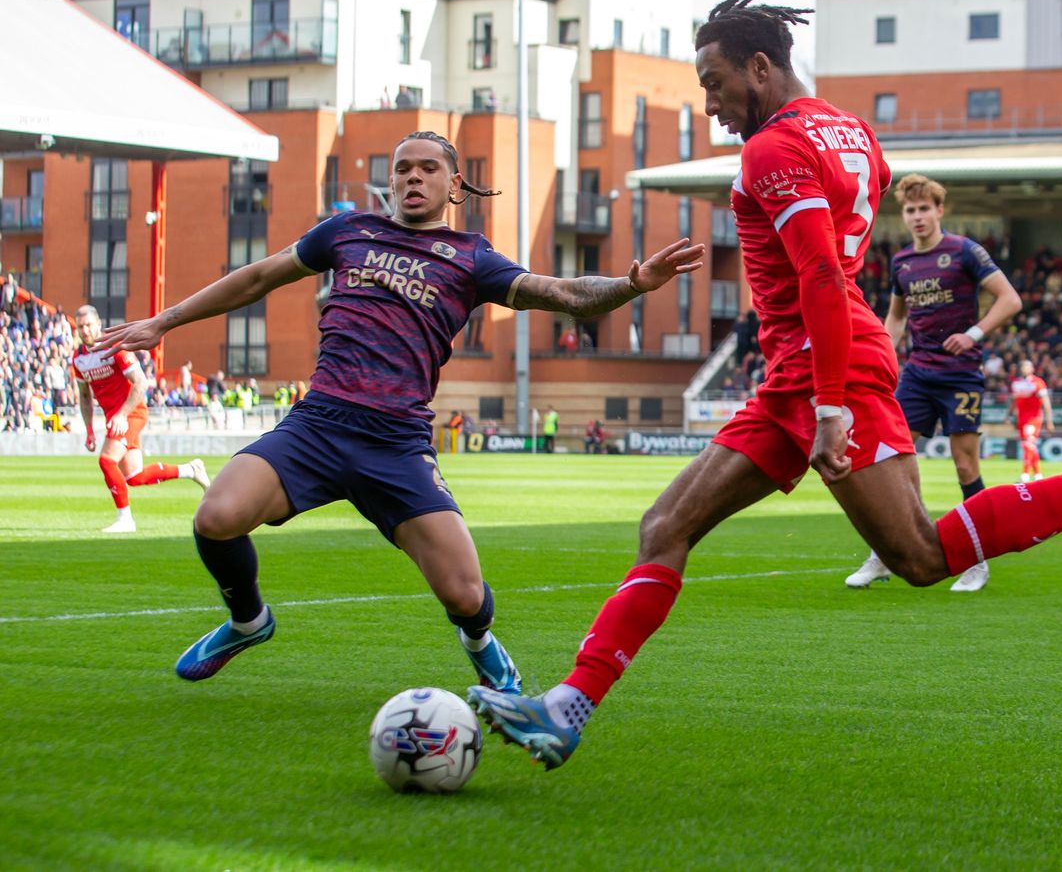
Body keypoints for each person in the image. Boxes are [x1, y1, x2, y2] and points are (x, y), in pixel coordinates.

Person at [466, 0, 1062, 771]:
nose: (711, 103)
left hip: (825, 368)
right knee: (666, 527)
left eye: (714, 81)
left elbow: (824, 279)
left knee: (922, 556)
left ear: (760, 67)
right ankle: (568, 706)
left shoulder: (771, 149)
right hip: (801, 372)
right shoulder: (857, 134)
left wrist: (830, 403)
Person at [97, 129, 703, 686]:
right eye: (403, 168)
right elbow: (257, 277)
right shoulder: (346, 232)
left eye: (428, 168)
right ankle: (248, 620)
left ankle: (479, 641)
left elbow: (564, 293)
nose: (413, 177)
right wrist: (165, 320)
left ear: (453, 185)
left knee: (466, 595)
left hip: (396, 444)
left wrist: (632, 286)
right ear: (391, 180)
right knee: (215, 516)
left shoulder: (472, 258)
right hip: (318, 425)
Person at [844, 174, 1022, 592]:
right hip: (918, 374)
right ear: (903, 215)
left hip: (961, 376)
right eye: (911, 210)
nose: (918, 216)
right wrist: (882, 358)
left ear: (940, 211)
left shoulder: (964, 251)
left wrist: (974, 334)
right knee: (890, 462)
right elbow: (898, 317)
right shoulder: (901, 262)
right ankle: (884, 555)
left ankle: (977, 562)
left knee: (965, 465)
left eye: (925, 208)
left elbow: (1010, 298)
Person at [71, 305, 209, 533]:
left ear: (98, 324)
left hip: (131, 413)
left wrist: (122, 414)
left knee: (106, 461)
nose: (85, 330)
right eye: (80, 326)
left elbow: (141, 383)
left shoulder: (116, 348)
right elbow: (84, 396)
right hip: (115, 418)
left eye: (88, 325)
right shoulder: (79, 359)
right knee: (135, 477)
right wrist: (88, 430)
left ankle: (125, 519)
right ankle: (190, 470)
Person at [1010, 359, 1054, 483]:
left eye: (1027, 366)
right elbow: (1014, 401)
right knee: (1030, 447)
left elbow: (1046, 402)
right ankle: (1038, 475)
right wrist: (1008, 416)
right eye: (1023, 366)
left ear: (1032, 369)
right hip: (1021, 419)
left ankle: (1024, 475)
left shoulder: (1038, 383)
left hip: (1033, 419)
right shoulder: (1016, 383)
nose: (1025, 368)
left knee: (1028, 445)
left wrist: (1049, 421)